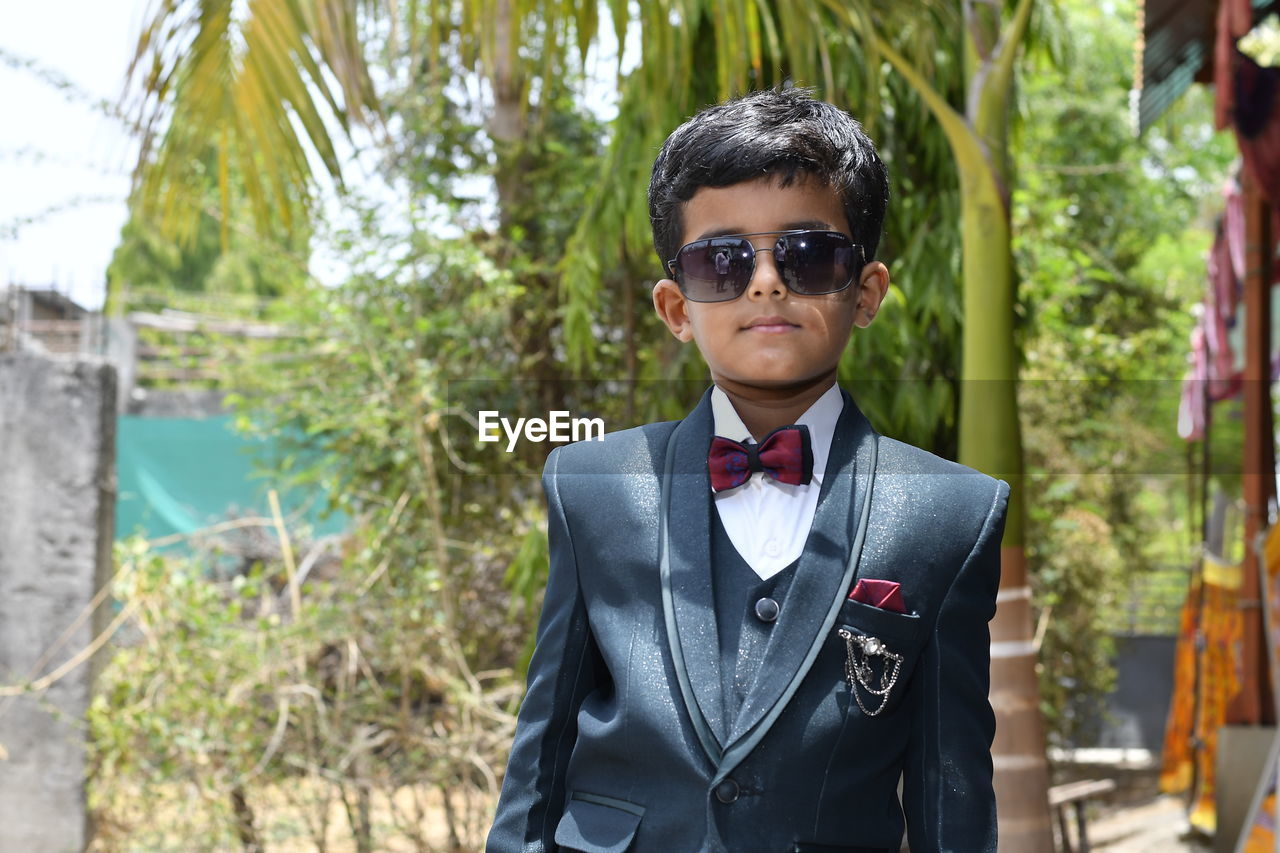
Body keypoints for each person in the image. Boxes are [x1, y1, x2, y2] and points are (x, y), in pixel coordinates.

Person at [486, 86, 1006, 853]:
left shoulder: (948, 513)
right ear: (676, 307)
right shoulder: (593, 488)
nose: (767, 281)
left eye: (809, 254)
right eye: (722, 260)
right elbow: (542, 753)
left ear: (866, 292)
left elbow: (949, 797)